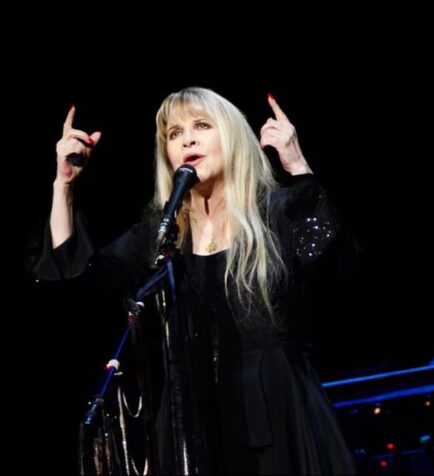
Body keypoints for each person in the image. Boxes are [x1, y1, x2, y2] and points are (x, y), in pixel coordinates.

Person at [31, 87, 355, 474]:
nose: (187, 138)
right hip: (192, 421)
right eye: (174, 133)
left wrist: (297, 165)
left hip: (278, 406)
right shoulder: (162, 233)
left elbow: (336, 263)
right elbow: (75, 284)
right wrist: (63, 185)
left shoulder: (276, 211)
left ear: (232, 136)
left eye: (202, 125)